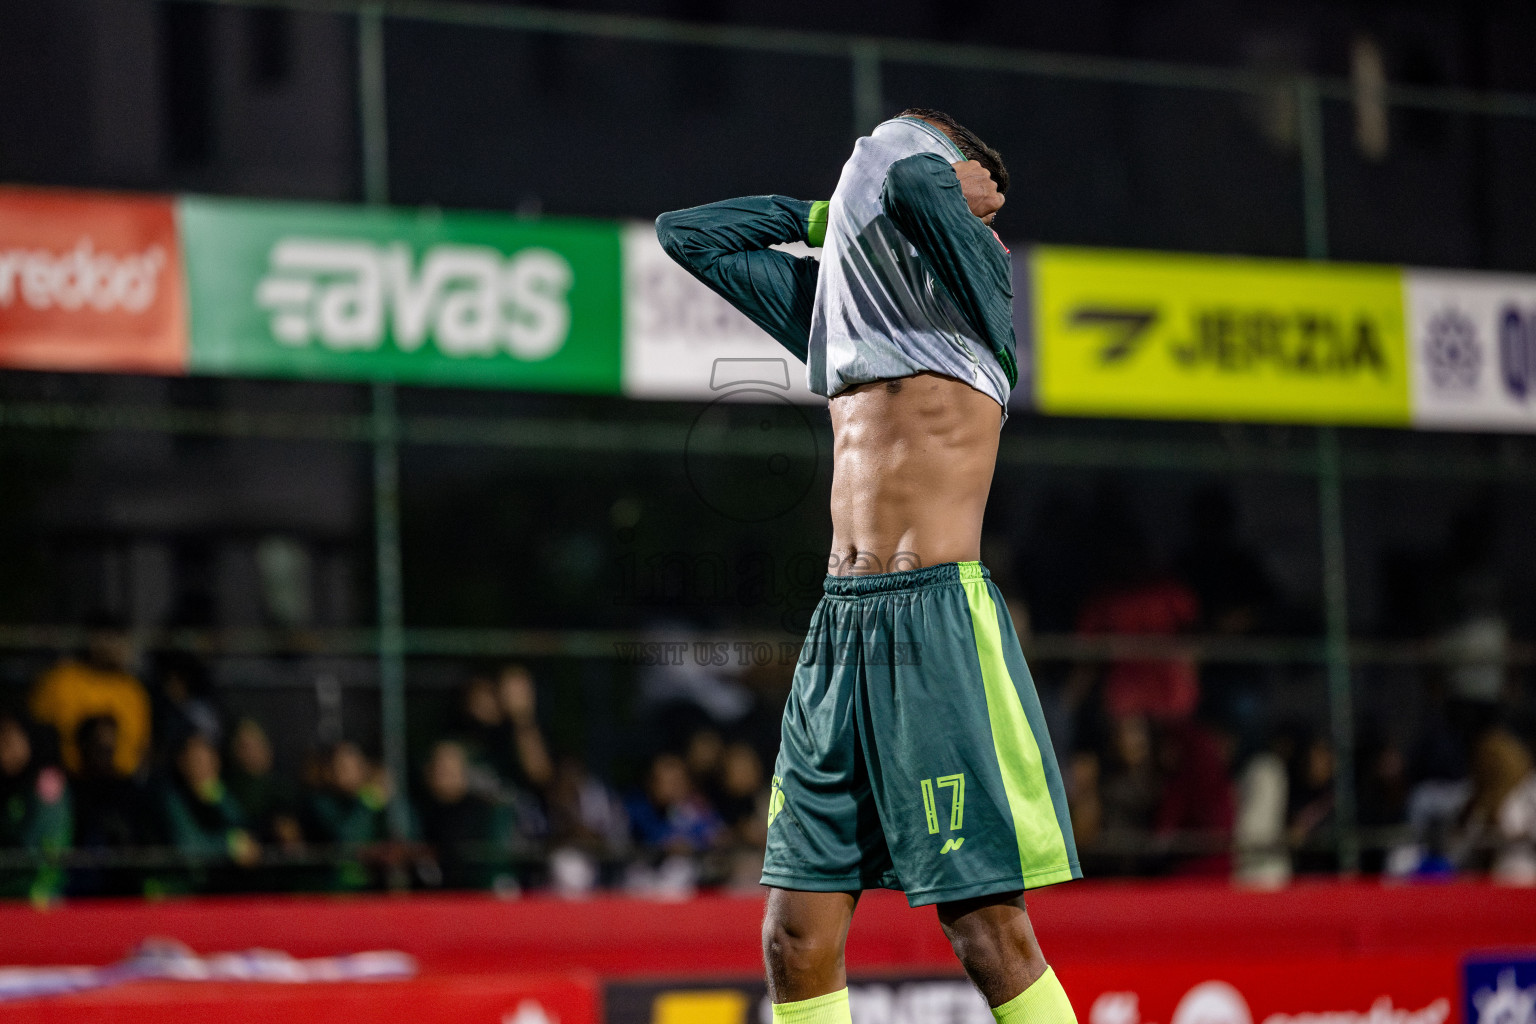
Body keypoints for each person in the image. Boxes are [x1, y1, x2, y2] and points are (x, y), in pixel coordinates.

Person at [658, 108, 1079, 1024]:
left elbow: (901, 168)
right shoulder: (841, 314)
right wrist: (820, 219)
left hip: (937, 622)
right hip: (838, 630)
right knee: (793, 940)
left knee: (987, 934)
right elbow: (687, 236)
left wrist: (943, 181)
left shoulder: (978, 290)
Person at [30, 621, 152, 778]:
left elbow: (144, 746)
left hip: (121, 782)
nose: (119, 648)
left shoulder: (133, 690)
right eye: (110, 639)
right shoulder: (60, 681)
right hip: (65, 779)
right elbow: (33, 734)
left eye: (122, 641)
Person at [158, 733, 259, 893]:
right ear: (182, 763)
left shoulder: (219, 793)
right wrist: (229, 846)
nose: (206, 766)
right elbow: (190, 845)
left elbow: (243, 829)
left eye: (210, 759)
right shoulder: (171, 799)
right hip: (187, 890)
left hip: (225, 887)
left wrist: (217, 795)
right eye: (198, 760)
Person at [0, 713, 70, 903]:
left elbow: (39, 847)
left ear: (29, 739)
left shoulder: (47, 781)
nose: (3, 749)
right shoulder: (11, 784)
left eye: (8, 741)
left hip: (38, 897)